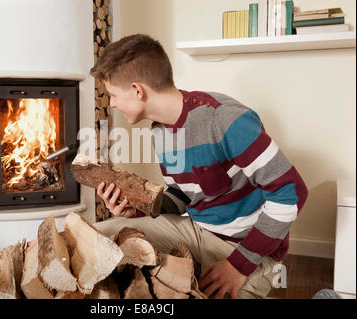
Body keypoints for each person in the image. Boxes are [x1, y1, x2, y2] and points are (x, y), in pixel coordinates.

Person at [90, 34, 308, 299]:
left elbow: (291, 192)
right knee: (99, 234)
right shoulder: (159, 131)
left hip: (248, 251)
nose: (111, 103)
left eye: (113, 95)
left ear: (138, 90)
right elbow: (183, 194)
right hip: (198, 232)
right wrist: (137, 208)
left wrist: (238, 266)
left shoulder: (223, 119)